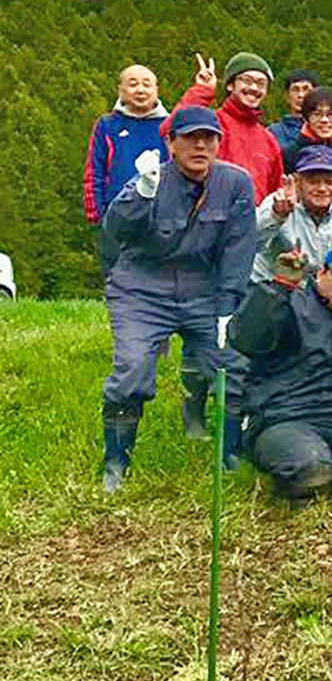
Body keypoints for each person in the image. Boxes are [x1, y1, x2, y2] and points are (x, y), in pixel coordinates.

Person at [98, 107, 255, 491]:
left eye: (209, 138)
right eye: (189, 138)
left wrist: (228, 307)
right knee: (133, 369)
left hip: (204, 290)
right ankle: (116, 462)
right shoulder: (151, 178)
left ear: (219, 143)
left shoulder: (236, 183)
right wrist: (142, 192)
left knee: (234, 367)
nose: (200, 145)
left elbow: (238, 248)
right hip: (141, 288)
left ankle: (230, 456)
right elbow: (115, 230)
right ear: (170, 142)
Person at [229, 242, 332, 507]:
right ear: (321, 273)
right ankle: (321, 483)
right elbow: (246, 339)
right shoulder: (288, 302)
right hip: (287, 420)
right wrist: (279, 288)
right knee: (310, 465)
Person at [169, 51, 283, 204]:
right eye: (247, 80)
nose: (254, 88)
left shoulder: (269, 140)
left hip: (252, 218)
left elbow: (275, 191)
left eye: (261, 83)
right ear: (230, 85)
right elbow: (170, 130)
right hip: (206, 214)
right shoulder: (211, 125)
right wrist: (202, 91)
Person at [253, 146, 332, 285]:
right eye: (313, 182)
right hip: (273, 287)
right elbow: (250, 246)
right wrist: (276, 217)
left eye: (329, 182)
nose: (322, 189)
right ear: (297, 181)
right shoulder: (278, 203)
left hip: (331, 290)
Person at [83, 64, 169, 225]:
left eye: (147, 84)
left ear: (156, 90)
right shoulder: (107, 125)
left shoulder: (169, 125)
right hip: (117, 216)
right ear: (120, 90)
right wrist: (97, 215)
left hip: (162, 216)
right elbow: (94, 171)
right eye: (133, 84)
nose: (141, 90)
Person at [268, 70, 320, 152]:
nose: (301, 95)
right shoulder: (273, 132)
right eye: (295, 90)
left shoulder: (326, 127)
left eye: (306, 89)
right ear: (287, 96)